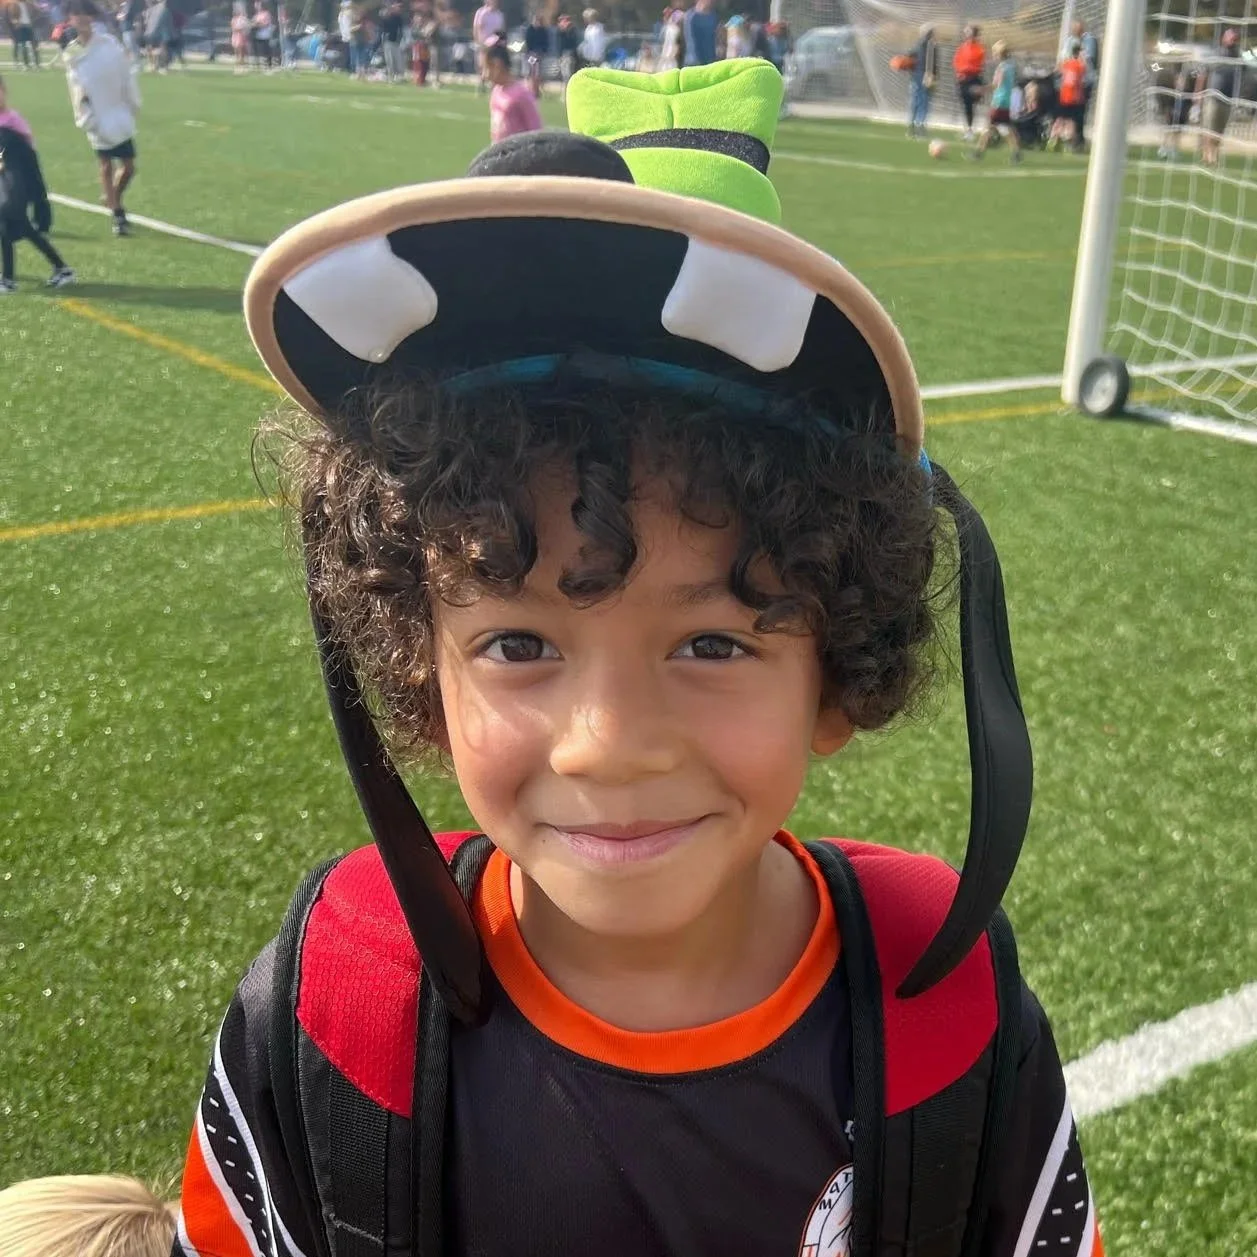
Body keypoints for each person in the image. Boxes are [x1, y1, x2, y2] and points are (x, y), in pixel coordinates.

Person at [0, 59, 1103, 1257]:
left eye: (714, 641)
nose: (607, 745)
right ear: (419, 670)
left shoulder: (949, 1017)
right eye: (518, 643)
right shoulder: (335, 1015)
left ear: (838, 673)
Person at [63, 0, 139, 237]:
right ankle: (117, 214)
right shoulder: (72, 52)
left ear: (92, 17)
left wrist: (130, 101)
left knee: (129, 167)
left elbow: (124, 72)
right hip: (95, 114)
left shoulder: (108, 43)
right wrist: (85, 115)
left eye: (85, 13)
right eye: (76, 14)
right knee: (105, 165)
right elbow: (75, 87)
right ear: (70, 19)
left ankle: (112, 196)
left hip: (117, 111)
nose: (81, 18)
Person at [0, 75, 74, 290]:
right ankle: (61, 269)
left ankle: (8, 281)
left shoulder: (12, 121)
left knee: (8, 222)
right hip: (6, 184)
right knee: (18, 227)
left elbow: (23, 156)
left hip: (17, 184)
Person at [969, 39, 1020, 164]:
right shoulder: (1011, 66)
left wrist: (981, 89)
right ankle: (1016, 153)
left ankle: (978, 153)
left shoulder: (1001, 68)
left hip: (998, 101)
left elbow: (996, 84)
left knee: (988, 127)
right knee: (1005, 128)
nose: (993, 55)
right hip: (1006, 101)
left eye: (995, 53)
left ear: (999, 54)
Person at [1200, 27, 1243, 168]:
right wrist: (1198, 94)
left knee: (1219, 130)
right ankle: (1208, 156)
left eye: (1235, 38)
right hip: (1213, 97)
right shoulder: (1215, 54)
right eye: (1230, 37)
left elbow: (1240, 78)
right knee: (1209, 127)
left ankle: (1214, 154)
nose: (1233, 40)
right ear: (1223, 38)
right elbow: (1203, 75)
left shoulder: (1238, 57)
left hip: (1228, 99)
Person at [485, 38, 541, 142]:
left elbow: (536, 130)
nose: (485, 75)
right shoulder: (496, 92)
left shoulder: (522, 94)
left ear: (497, 65)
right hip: (500, 150)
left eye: (487, 68)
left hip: (518, 151)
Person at [1051, 38, 1086, 153]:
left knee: (1060, 119)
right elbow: (1083, 75)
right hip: (1074, 97)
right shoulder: (1079, 65)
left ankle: (1053, 140)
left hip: (1063, 95)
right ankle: (1071, 145)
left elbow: (1059, 72)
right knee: (1072, 122)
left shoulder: (1066, 63)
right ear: (1079, 52)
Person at [953, 22, 985, 141]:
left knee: (972, 105)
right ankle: (968, 130)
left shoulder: (979, 48)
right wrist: (959, 72)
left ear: (974, 34)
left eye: (968, 32)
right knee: (966, 105)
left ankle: (972, 130)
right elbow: (956, 61)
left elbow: (977, 64)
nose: (966, 34)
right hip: (963, 80)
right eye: (965, 32)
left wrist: (966, 69)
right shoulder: (962, 47)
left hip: (973, 79)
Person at [906, 21, 937, 138]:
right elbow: (931, 63)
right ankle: (919, 126)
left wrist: (911, 73)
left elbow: (909, 60)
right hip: (923, 77)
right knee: (923, 102)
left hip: (917, 77)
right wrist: (931, 75)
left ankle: (912, 126)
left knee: (916, 101)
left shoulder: (917, 45)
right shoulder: (930, 45)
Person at [471, 0, 504, 91]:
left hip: (495, 44)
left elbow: (501, 30)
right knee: (482, 65)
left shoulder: (499, 14)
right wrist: (478, 42)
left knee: (494, 64)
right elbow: (477, 28)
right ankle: (481, 84)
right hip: (483, 43)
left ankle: (493, 85)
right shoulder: (481, 13)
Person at [8, 0, 41, 68]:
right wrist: (16, 22)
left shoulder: (28, 4)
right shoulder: (14, 4)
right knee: (23, 45)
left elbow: (36, 11)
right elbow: (12, 16)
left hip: (29, 26)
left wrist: (33, 18)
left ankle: (37, 63)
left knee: (34, 44)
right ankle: (26, 64)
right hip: (21, 27)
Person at [523, 10, 548, 97]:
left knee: (537, 73)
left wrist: (541, 52)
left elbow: (545, 43)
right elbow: (528, 43)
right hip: (530, 54)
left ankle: (536, 91)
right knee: (530, 72)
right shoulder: (529, 30)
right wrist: (532, 52)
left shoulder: (543, 31)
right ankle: (528, 89)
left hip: (539, 54)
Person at [682, 0, 716, 65]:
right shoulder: (691, 16)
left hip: (710, 60)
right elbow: (691, 40)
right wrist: (696, 60)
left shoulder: (712, 16)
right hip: (694, 60)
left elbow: (713, 39)